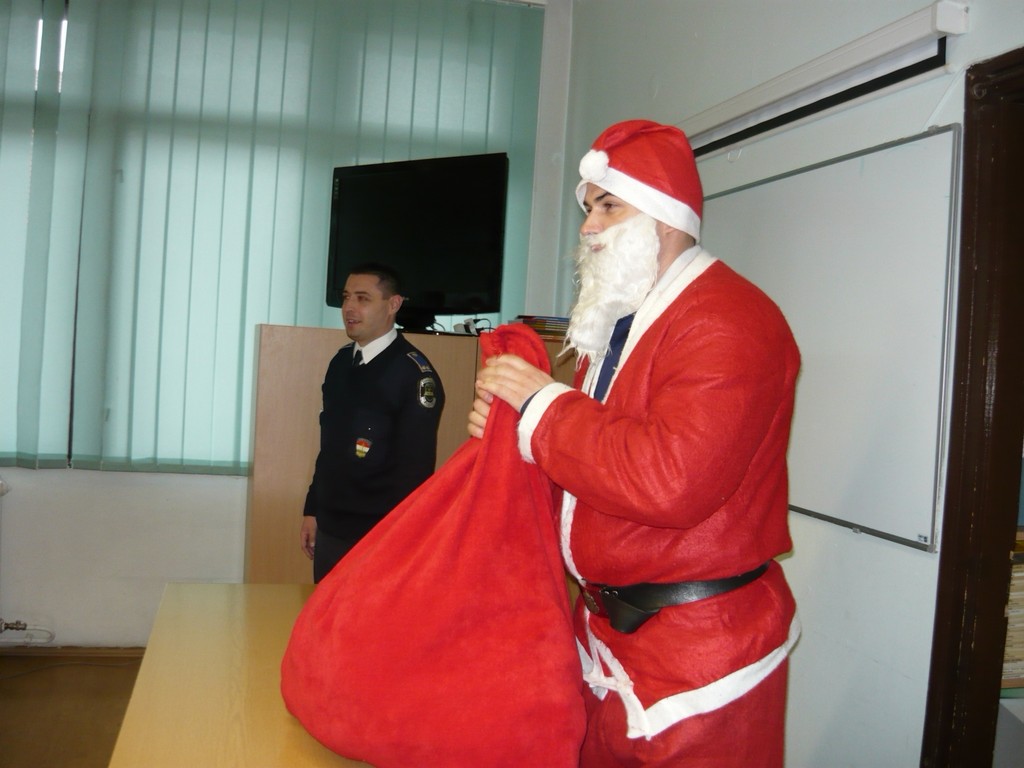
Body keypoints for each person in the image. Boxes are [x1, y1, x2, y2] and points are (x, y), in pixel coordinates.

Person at [468, 119, 801, 767]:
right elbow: (598, 470)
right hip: (614, 639)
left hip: (697, 655)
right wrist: (515, 436)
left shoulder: (728, 319)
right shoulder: (625, 324)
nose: (588, 229)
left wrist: (542, 409)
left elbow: (670, 481)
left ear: (664, 216)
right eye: (588, 210)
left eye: (608, 207)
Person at [302, 263, 445, 583]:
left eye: (363, 298)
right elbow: (330, 448)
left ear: (393, 304)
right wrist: (313, 509)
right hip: (331, 528)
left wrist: (398, 538)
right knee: (324, 611)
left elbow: (415, 471)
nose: (349, 308)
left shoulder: (413, 374)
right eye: (346, 297)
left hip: (379, 533)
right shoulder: (341, 362)